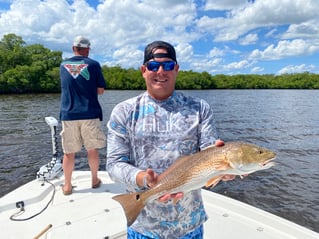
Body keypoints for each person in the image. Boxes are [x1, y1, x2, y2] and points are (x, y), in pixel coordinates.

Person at [106, 40, 231, 238]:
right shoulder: (124, 111)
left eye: (168, 65)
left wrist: (226, 168)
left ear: (177, 69)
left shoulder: (200, 108)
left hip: (189, 223)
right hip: (143, 225)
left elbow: (210, 152)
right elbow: (113, 164)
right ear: (144, 70)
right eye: (154, 66)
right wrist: (144, 179)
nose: (161, 71)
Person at [59, 36, 106, 195]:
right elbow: (100, 90)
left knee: (68, 152)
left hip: (68, 114)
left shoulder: (62, 65)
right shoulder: (93, 65)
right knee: (92, 150)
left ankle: (67, 186)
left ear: (73, 48)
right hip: (89, 112)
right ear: (88, 49)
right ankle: (94, 180)